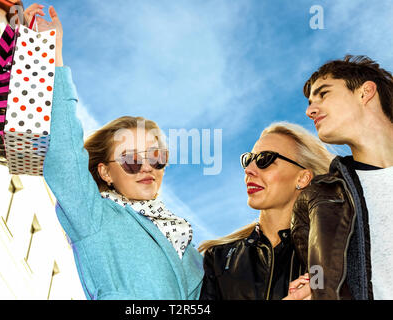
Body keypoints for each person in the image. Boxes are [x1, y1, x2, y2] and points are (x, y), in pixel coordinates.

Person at [26, 4, 203, 299]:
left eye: (156, 158)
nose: (147, 168)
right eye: (132, 160)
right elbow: (64, 154)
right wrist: (50, 55)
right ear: (105, 172)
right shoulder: (93, 213)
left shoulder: (179, 234)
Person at [291, 55, 393, 300]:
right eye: (309, 102)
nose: (309, 111)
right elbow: (323, 283)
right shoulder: (319, 199)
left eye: (323, 94)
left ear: (365, 92)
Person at [198, 122, 334, 300]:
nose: (249, 170)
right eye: (248, 160)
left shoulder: (330, 255)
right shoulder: (218, 258)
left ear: (303, 178)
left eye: (264, 160)